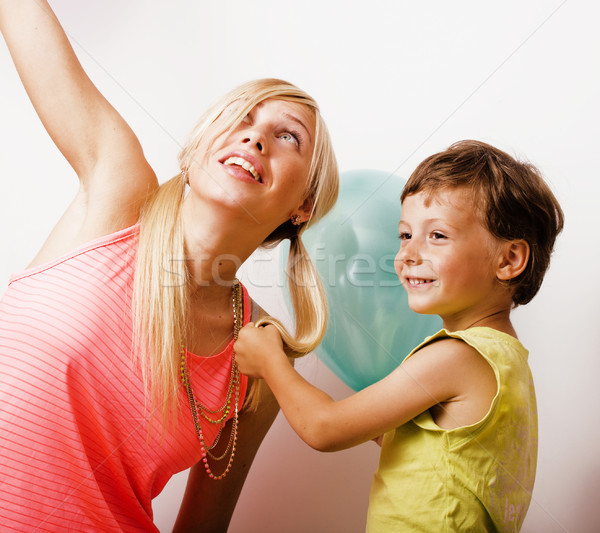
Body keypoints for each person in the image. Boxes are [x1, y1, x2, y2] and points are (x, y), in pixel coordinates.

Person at [0, 1, 339, 531]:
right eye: (240, 118)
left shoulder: (259, 359)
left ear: (303, 207)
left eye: (288, 135)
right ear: (198, 145)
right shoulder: (118, 190)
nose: (254, 137)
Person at [235, 140, 564, 532]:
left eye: (437, 236)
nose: (408, 254)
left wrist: (271, 361)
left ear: (508, 260)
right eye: (405, 235)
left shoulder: (456, 357)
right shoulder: (507, 361)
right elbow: (430, 452)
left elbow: (323, 427)